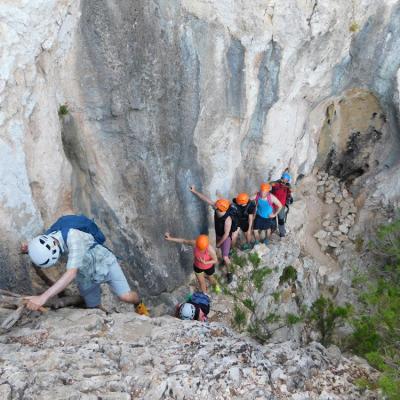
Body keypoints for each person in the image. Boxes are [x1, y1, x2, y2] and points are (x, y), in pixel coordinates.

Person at [20, 214, 149, 315]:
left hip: (104, 263)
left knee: (126, 296)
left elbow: (71, 273)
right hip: (85, 273)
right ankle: (106, 319)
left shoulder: (74, 238)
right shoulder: (49, 236)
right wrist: (30, 248)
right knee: (93, 307)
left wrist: (43, 297)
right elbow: (40, 244)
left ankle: (139, 303)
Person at [189, 185, 237, 283]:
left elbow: (226, 234)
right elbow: (206, 199)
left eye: (217, 205)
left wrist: (219, 243)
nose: (215, 205)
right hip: (219, 234)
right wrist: (195, 191)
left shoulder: (227, 219)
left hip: (225, 237)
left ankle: (229, 272)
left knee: (225, 257)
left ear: (221, 209)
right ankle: (226, 253)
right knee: (222, 251)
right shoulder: (217, 208)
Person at [271, 171, 293, 238]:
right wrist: (278, 182)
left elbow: (290, 192)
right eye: (284, 179)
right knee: (273, 218)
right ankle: (273, 230)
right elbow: (270, 184)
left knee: (281, 219)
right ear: (282, 178)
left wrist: (290, 197)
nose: (285, 181)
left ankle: (282, 233)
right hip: (273, 205)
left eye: (287, 180)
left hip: (282, 206)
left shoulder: (287, 186)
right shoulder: (277, 184)